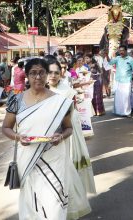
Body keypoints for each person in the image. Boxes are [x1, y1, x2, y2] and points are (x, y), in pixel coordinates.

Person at [2, 58, 91, 219]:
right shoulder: (16, 100)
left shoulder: (60, 102)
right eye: (33, 73)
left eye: (42, 72)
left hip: (54, 158)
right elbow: (6, 128)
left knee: (54, 203)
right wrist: (17, 137)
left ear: (46, 75)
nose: (38, 77)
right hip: (28, 159)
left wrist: (61, 136)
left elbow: (68, 128)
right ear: (27, 76)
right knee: (31, 202)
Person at [46, 58, 96, 195]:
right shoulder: (40, 88)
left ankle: (71, 194)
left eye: (58, 71)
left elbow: (71, 109)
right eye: (50, 72)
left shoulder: (66, 89)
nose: (55, 75)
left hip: (67, 128)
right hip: (47, 131)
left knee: (67, 160)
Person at [107, 45, 133, 117]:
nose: (121, 52)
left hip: (127, 81)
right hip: (118, 81)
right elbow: (110, 62)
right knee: (119, 97)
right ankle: (119, 111)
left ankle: (127, 112)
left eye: (122, 50)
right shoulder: (117, 58)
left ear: (126, 51)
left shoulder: (130, 59)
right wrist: (106, 55)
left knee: (126, 97)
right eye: (120, 50)